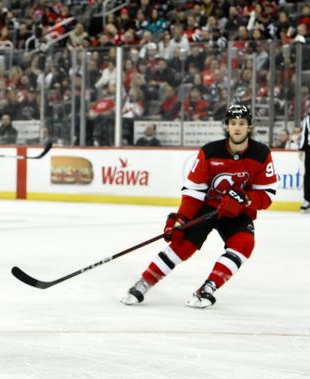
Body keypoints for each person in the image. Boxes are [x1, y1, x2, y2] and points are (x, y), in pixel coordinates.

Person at [120, 103, 277, 308]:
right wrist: (182, 219)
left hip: (237, 212)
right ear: (226, 126)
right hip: (207, 208)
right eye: (233, 123)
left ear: (249, 127)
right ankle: (144, 283)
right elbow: (194, 191)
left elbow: (267, 193)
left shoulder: (261, 154)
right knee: (182, 244)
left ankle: (209, 287)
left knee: (245, 243)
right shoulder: (210, 152)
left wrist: (245, 199)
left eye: (242, 123)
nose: (237, 127)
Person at [300, 108, 310, 213]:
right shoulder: (308, 116)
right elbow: (305, 132)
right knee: (308, 175)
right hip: (309, 149)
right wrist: (302, 148)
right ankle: (307, 199)